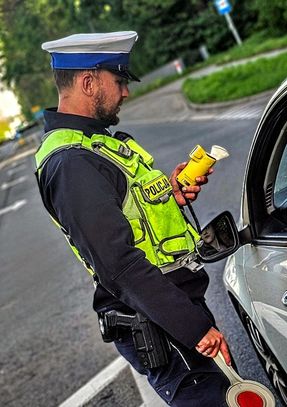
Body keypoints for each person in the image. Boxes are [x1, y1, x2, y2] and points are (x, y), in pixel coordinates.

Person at [35, 31, 231, 406]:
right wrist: (194, 329)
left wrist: (168, 194)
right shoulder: (71, 162)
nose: (125, 92)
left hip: (170, 313)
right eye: (119, 81)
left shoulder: (94, 145)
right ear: (88, 82)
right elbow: (118, 265)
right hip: (162, 324)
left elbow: (127, 215)